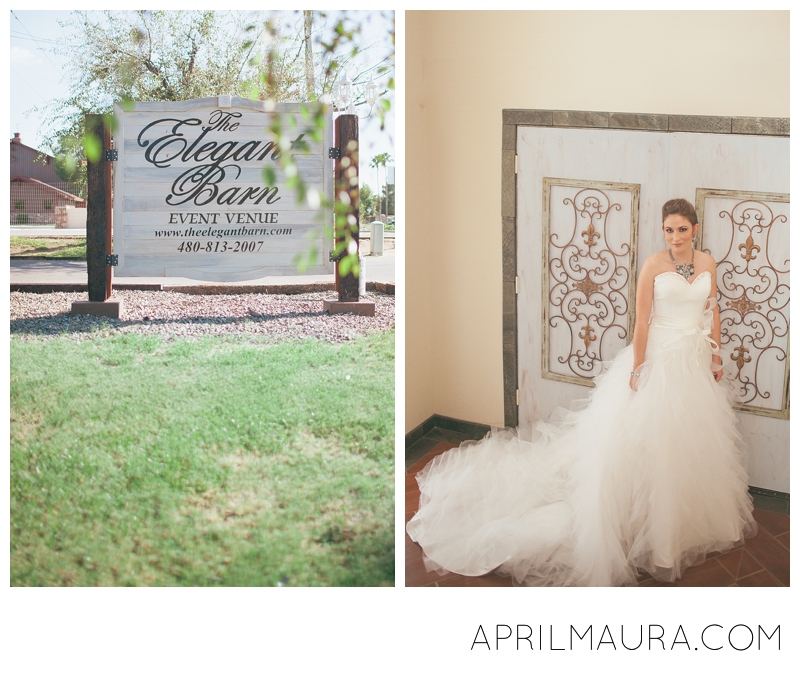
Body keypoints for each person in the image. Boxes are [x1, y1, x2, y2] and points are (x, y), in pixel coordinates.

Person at [406, 198, 756, 586]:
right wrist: (639, 367)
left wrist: (716, 357)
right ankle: (653, 535)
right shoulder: (653, 266)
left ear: (694, 229)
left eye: (682, 229)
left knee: (689, 445)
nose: (674, 237)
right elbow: (642, 322)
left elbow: (713, 312)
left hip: (694, 361)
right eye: (668, 229)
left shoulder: (707, 263)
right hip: (658, 359)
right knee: (650, 445)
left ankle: (681, 529)